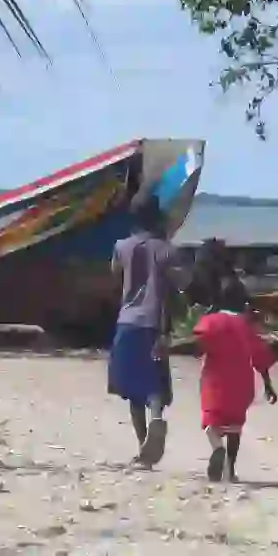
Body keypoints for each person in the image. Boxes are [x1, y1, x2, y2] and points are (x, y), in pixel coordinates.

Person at [108, 192, 176, 467]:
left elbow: (115, 272)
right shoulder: (166, 249)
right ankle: (157, 417)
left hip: (127, 321)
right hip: (154, 322)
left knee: (131, 388)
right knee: (154, 382)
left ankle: (142, 448)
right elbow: (176, 287)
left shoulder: (121, 246)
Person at [193, 275, 277, 482]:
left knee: (212, 423)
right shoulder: (246, 326)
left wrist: (168, 348)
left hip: (215, 382)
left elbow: (197, 343)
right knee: (235, 427)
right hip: (242, 385)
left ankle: (217, 448)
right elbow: (261, 356)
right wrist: (268, 385)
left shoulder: (211, 321)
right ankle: (230, 470)